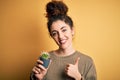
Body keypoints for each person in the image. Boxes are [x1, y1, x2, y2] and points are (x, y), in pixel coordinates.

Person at [30, 1, 97, 80]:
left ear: (72, 30)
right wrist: (37, 79)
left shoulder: (87, 62)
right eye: (55, 33)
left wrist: (79, 78)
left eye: (64, 30)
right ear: (51, 36)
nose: (60, 36)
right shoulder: (45, 60)